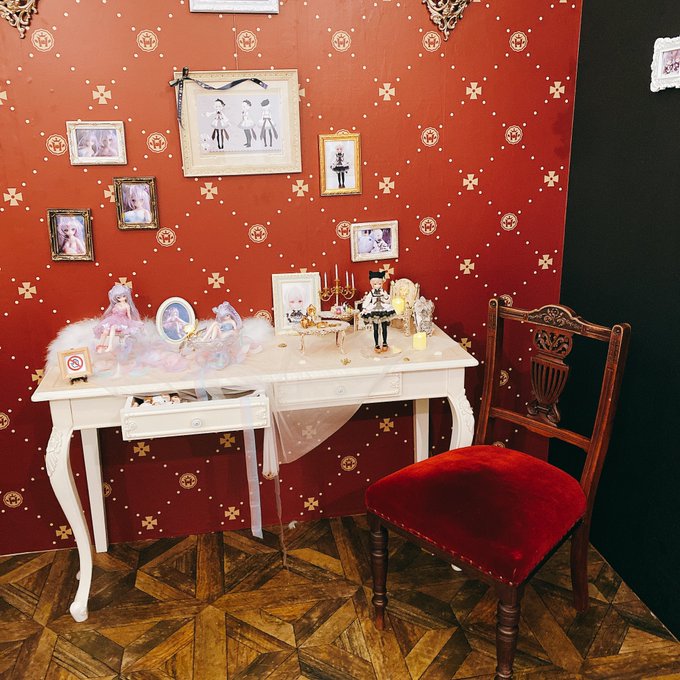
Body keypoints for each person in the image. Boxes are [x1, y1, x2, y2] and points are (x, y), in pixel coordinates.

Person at [93, 284, 143, 353]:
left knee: (113, 327)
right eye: (119, 297)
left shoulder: (127, 305)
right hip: (113, 319)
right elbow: (112, 313)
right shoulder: (116, 304)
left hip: (122, 321)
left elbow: (129, 315)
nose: (122, 298)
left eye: (124, 296)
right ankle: (100, 347)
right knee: (105, 331)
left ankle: (110, 346)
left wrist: (130, 323)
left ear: (126, 296)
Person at [360, 271, 396, 353]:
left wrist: (385, 295)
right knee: (375, 328)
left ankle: (385, 342)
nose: (377, 285)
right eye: (375, 284)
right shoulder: (371, 293)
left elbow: (388, 300)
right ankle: (376, 344)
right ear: (372, 284)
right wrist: (364, 308)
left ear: (382, 283)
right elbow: (367, 301)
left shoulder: (383, 292)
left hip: (383, 310)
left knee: (384, 327)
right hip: (374, 310)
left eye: (379, 283)